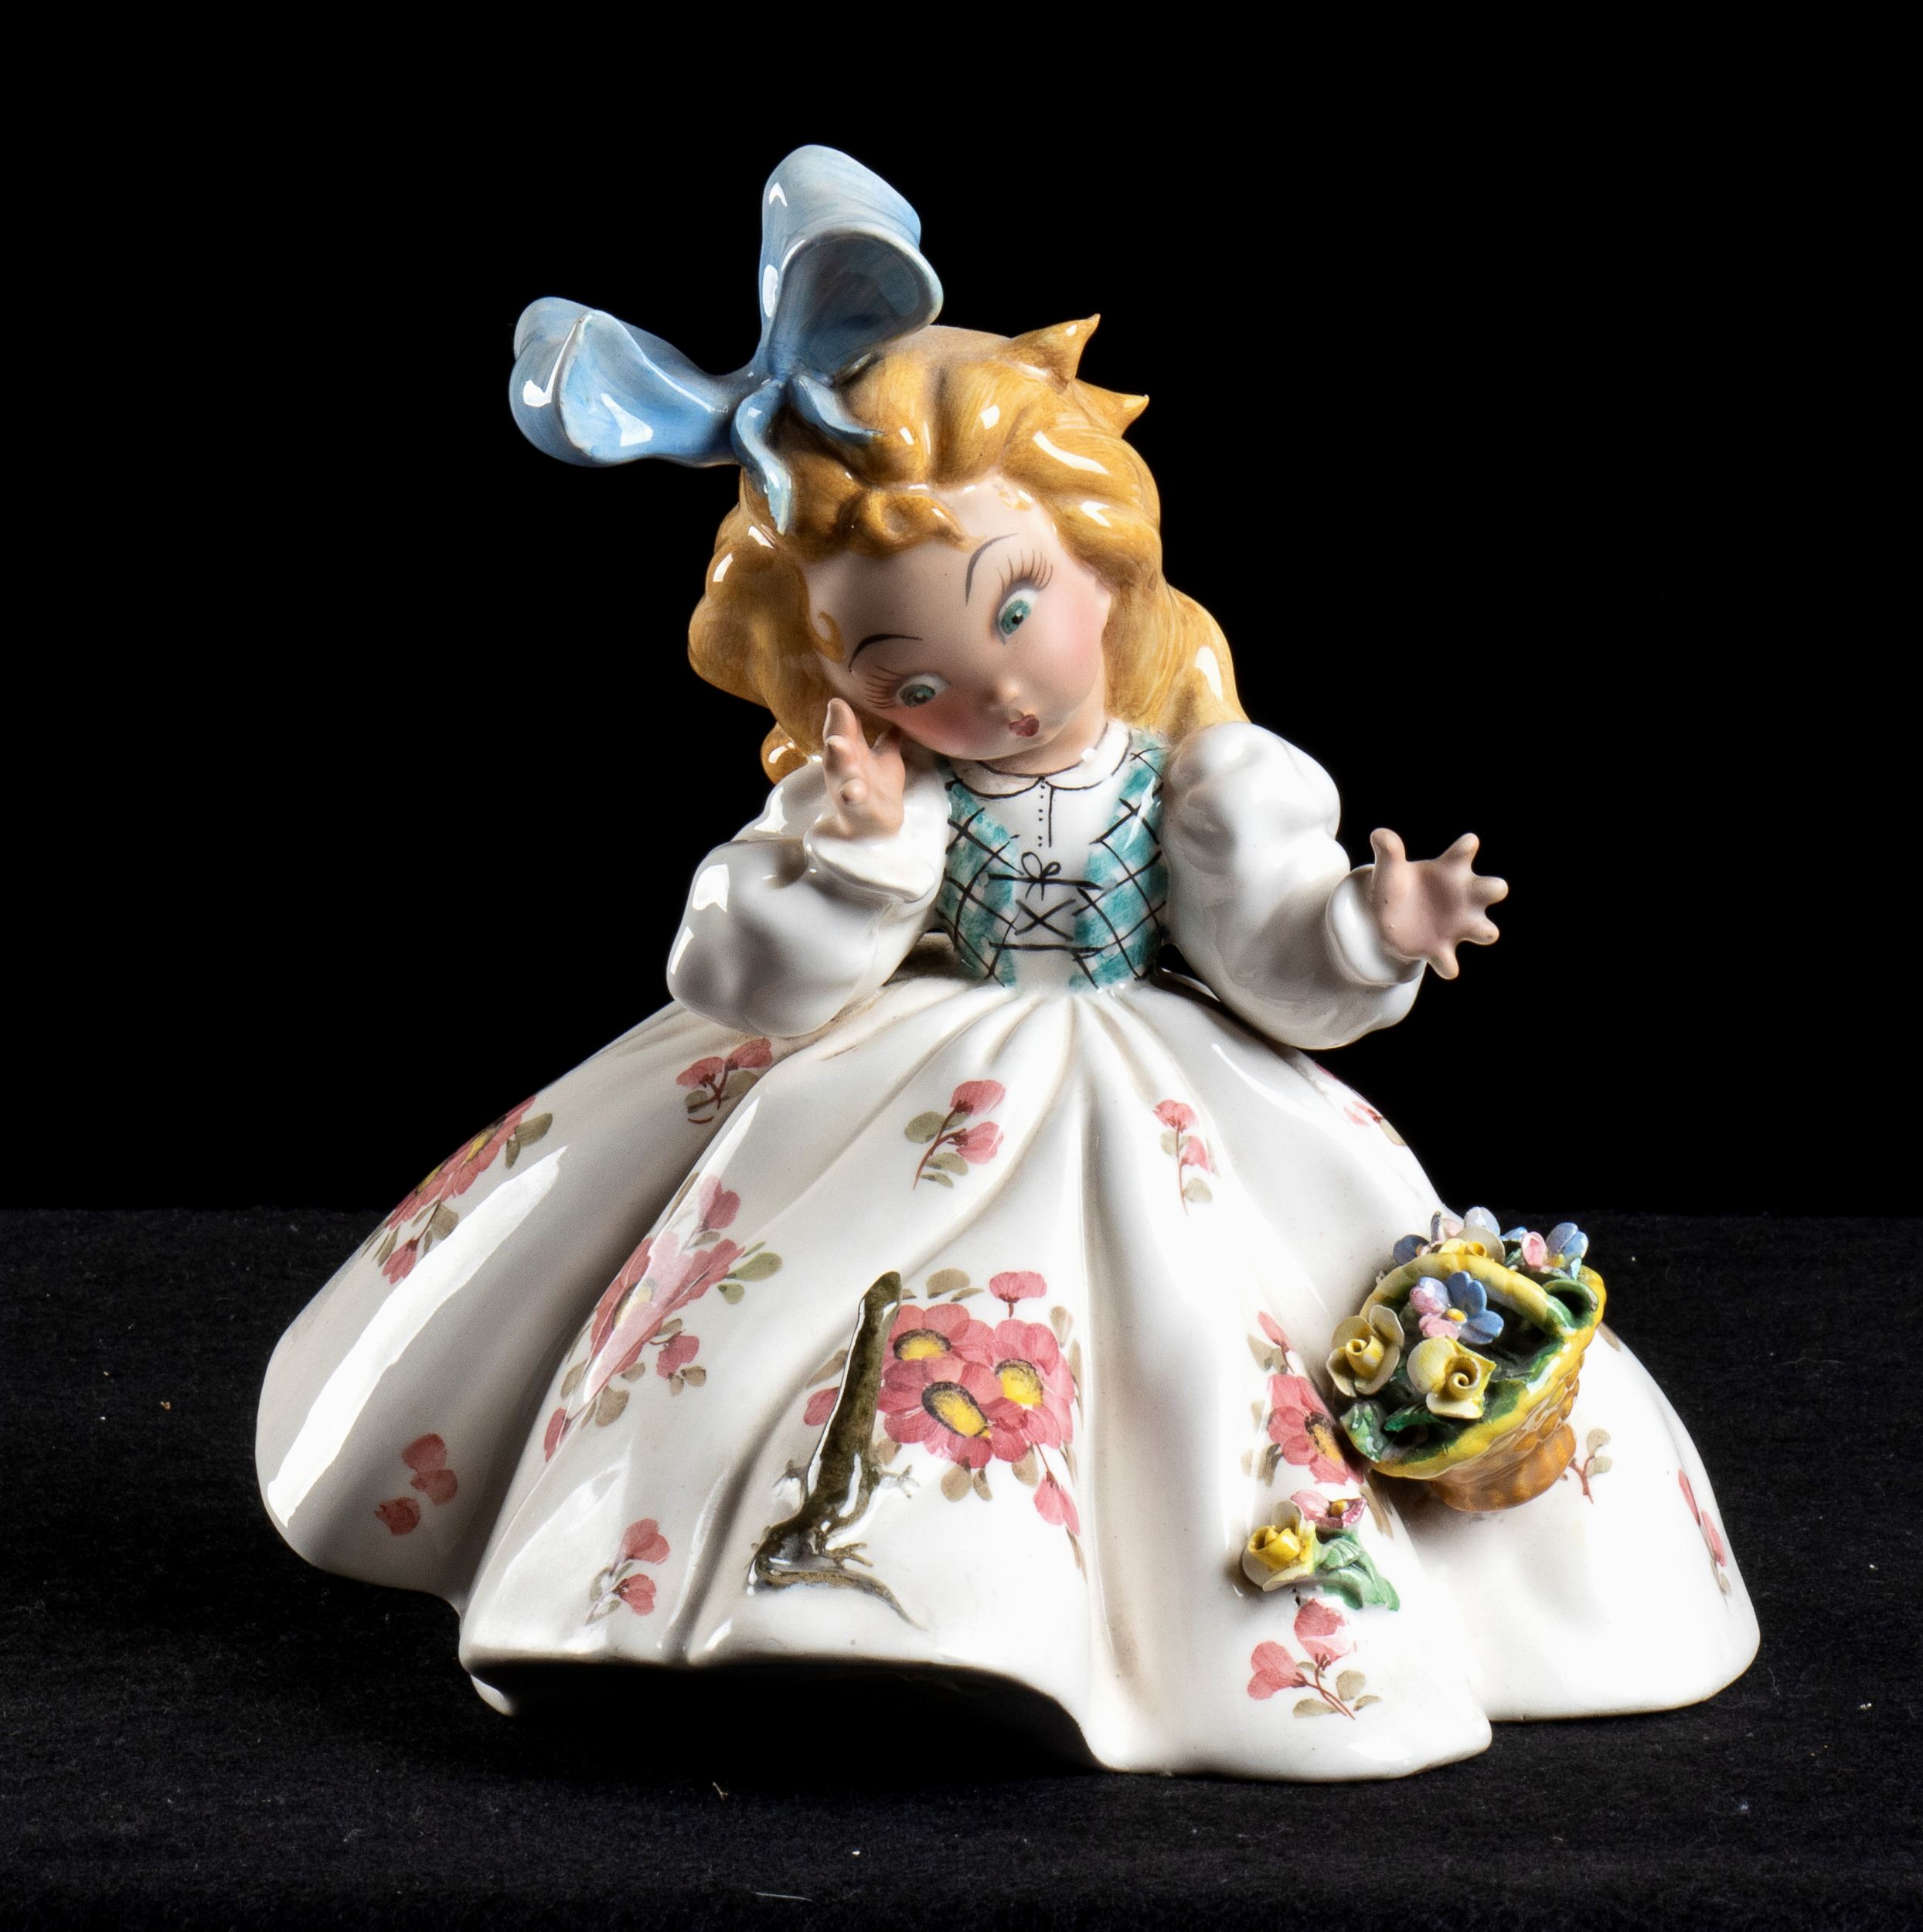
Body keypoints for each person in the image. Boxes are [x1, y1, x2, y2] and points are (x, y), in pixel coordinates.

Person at [257, 149, 1755, 1780]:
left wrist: (1359, 932)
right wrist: (857, 849)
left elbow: (1264, 953)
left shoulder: (1199, 785)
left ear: (1102, 563)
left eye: (1017, 610)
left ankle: (1094, 1631)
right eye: (913, 682)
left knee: (1188, 1346)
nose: (993, 699)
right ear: (849, 689)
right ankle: (762, 1602)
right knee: (791, 1309)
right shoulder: (873, 809)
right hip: (897, 1083)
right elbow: (746, 980)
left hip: (1154, 1088)